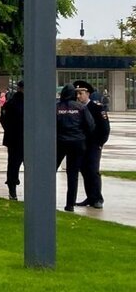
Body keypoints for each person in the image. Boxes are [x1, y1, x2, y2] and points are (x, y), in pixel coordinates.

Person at [55, 83, 95, 212]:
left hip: (60, 142)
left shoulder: (56, 108)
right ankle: (70, 204)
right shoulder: (81, 108)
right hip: (77, 143)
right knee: (73, 175)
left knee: (50, 172)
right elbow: (90, 125)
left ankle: (47, 199)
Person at [74, 80, 110, 209]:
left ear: (88, 94)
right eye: (77, 93)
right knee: (84, 171)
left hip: (93, 145)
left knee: (93, 171)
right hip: (81, 145)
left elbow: (105, 129)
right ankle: (90, 197)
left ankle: (97, 198)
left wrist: (99, 143)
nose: (78, 96)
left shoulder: (97, 108)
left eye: (81, 93)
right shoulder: (76, 108)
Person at [0, 80, 24, 200]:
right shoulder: (27, 103)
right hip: (21, 139)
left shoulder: (9, 103)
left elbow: (3, 121)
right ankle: (13, 189)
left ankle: (12, 189)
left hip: (13, 140)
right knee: (16, 165)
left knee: (13, 165)